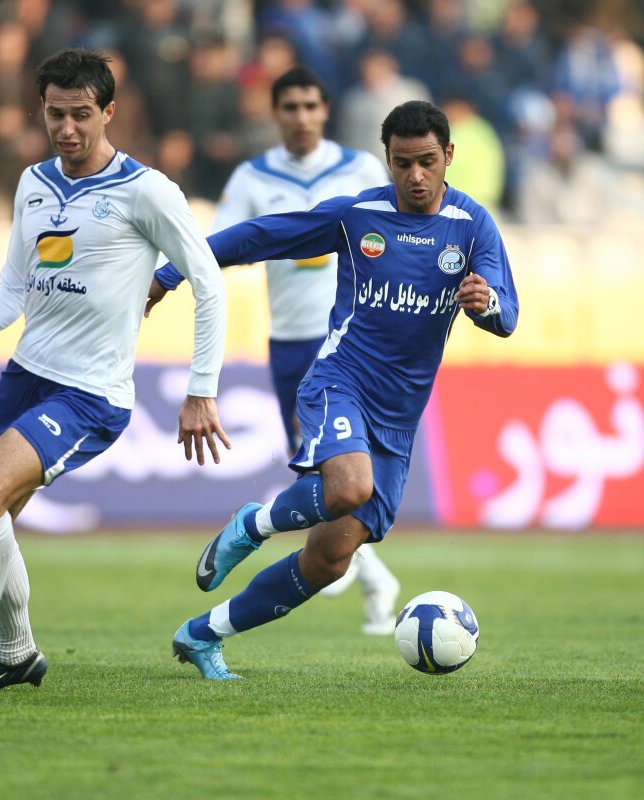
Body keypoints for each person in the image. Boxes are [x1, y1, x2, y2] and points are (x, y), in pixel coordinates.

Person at [152, 99, 519, 680]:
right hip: (339, 381)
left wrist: (486, 302)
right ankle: (253, 524)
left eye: (427, 161)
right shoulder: (358, 215)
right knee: (348, 487)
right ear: (387, 159)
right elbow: (261, 236)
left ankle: (202, 635)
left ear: (449, 156)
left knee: (329, 559)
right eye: (402, 163)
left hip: (399, 418)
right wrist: (172, 271)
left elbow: (507, 314)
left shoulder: (472, 226)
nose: (415, 176)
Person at [0, 49, 230, 694]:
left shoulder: (146, 190)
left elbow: (209, 283)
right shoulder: (33, 182)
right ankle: (18, 652)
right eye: (55, 114)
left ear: (108, 111)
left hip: (90, 393)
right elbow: (15, 283)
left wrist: (202, 389)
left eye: (81, 114)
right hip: (25, 375)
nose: (67, 128)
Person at [151, 66, 402, 635]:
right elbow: (226, 245)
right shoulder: (252, 176)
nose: (302, 117)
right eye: (290, 107)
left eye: (311, 106)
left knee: (334, 471)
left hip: (347, 341)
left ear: (325, 110)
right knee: (321, 472)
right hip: (287, 338)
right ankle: (373, 577)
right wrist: (176, 272)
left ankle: (351, 570)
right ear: (276, 114)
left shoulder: (362, 169)